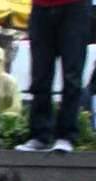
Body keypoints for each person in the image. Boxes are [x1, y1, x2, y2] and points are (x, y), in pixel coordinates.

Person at [17, 0, 90, 153]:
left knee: (71, 74)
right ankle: (40, 135)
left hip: (74, 6)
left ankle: (66, 136)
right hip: (41, 7)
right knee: (40, 75)